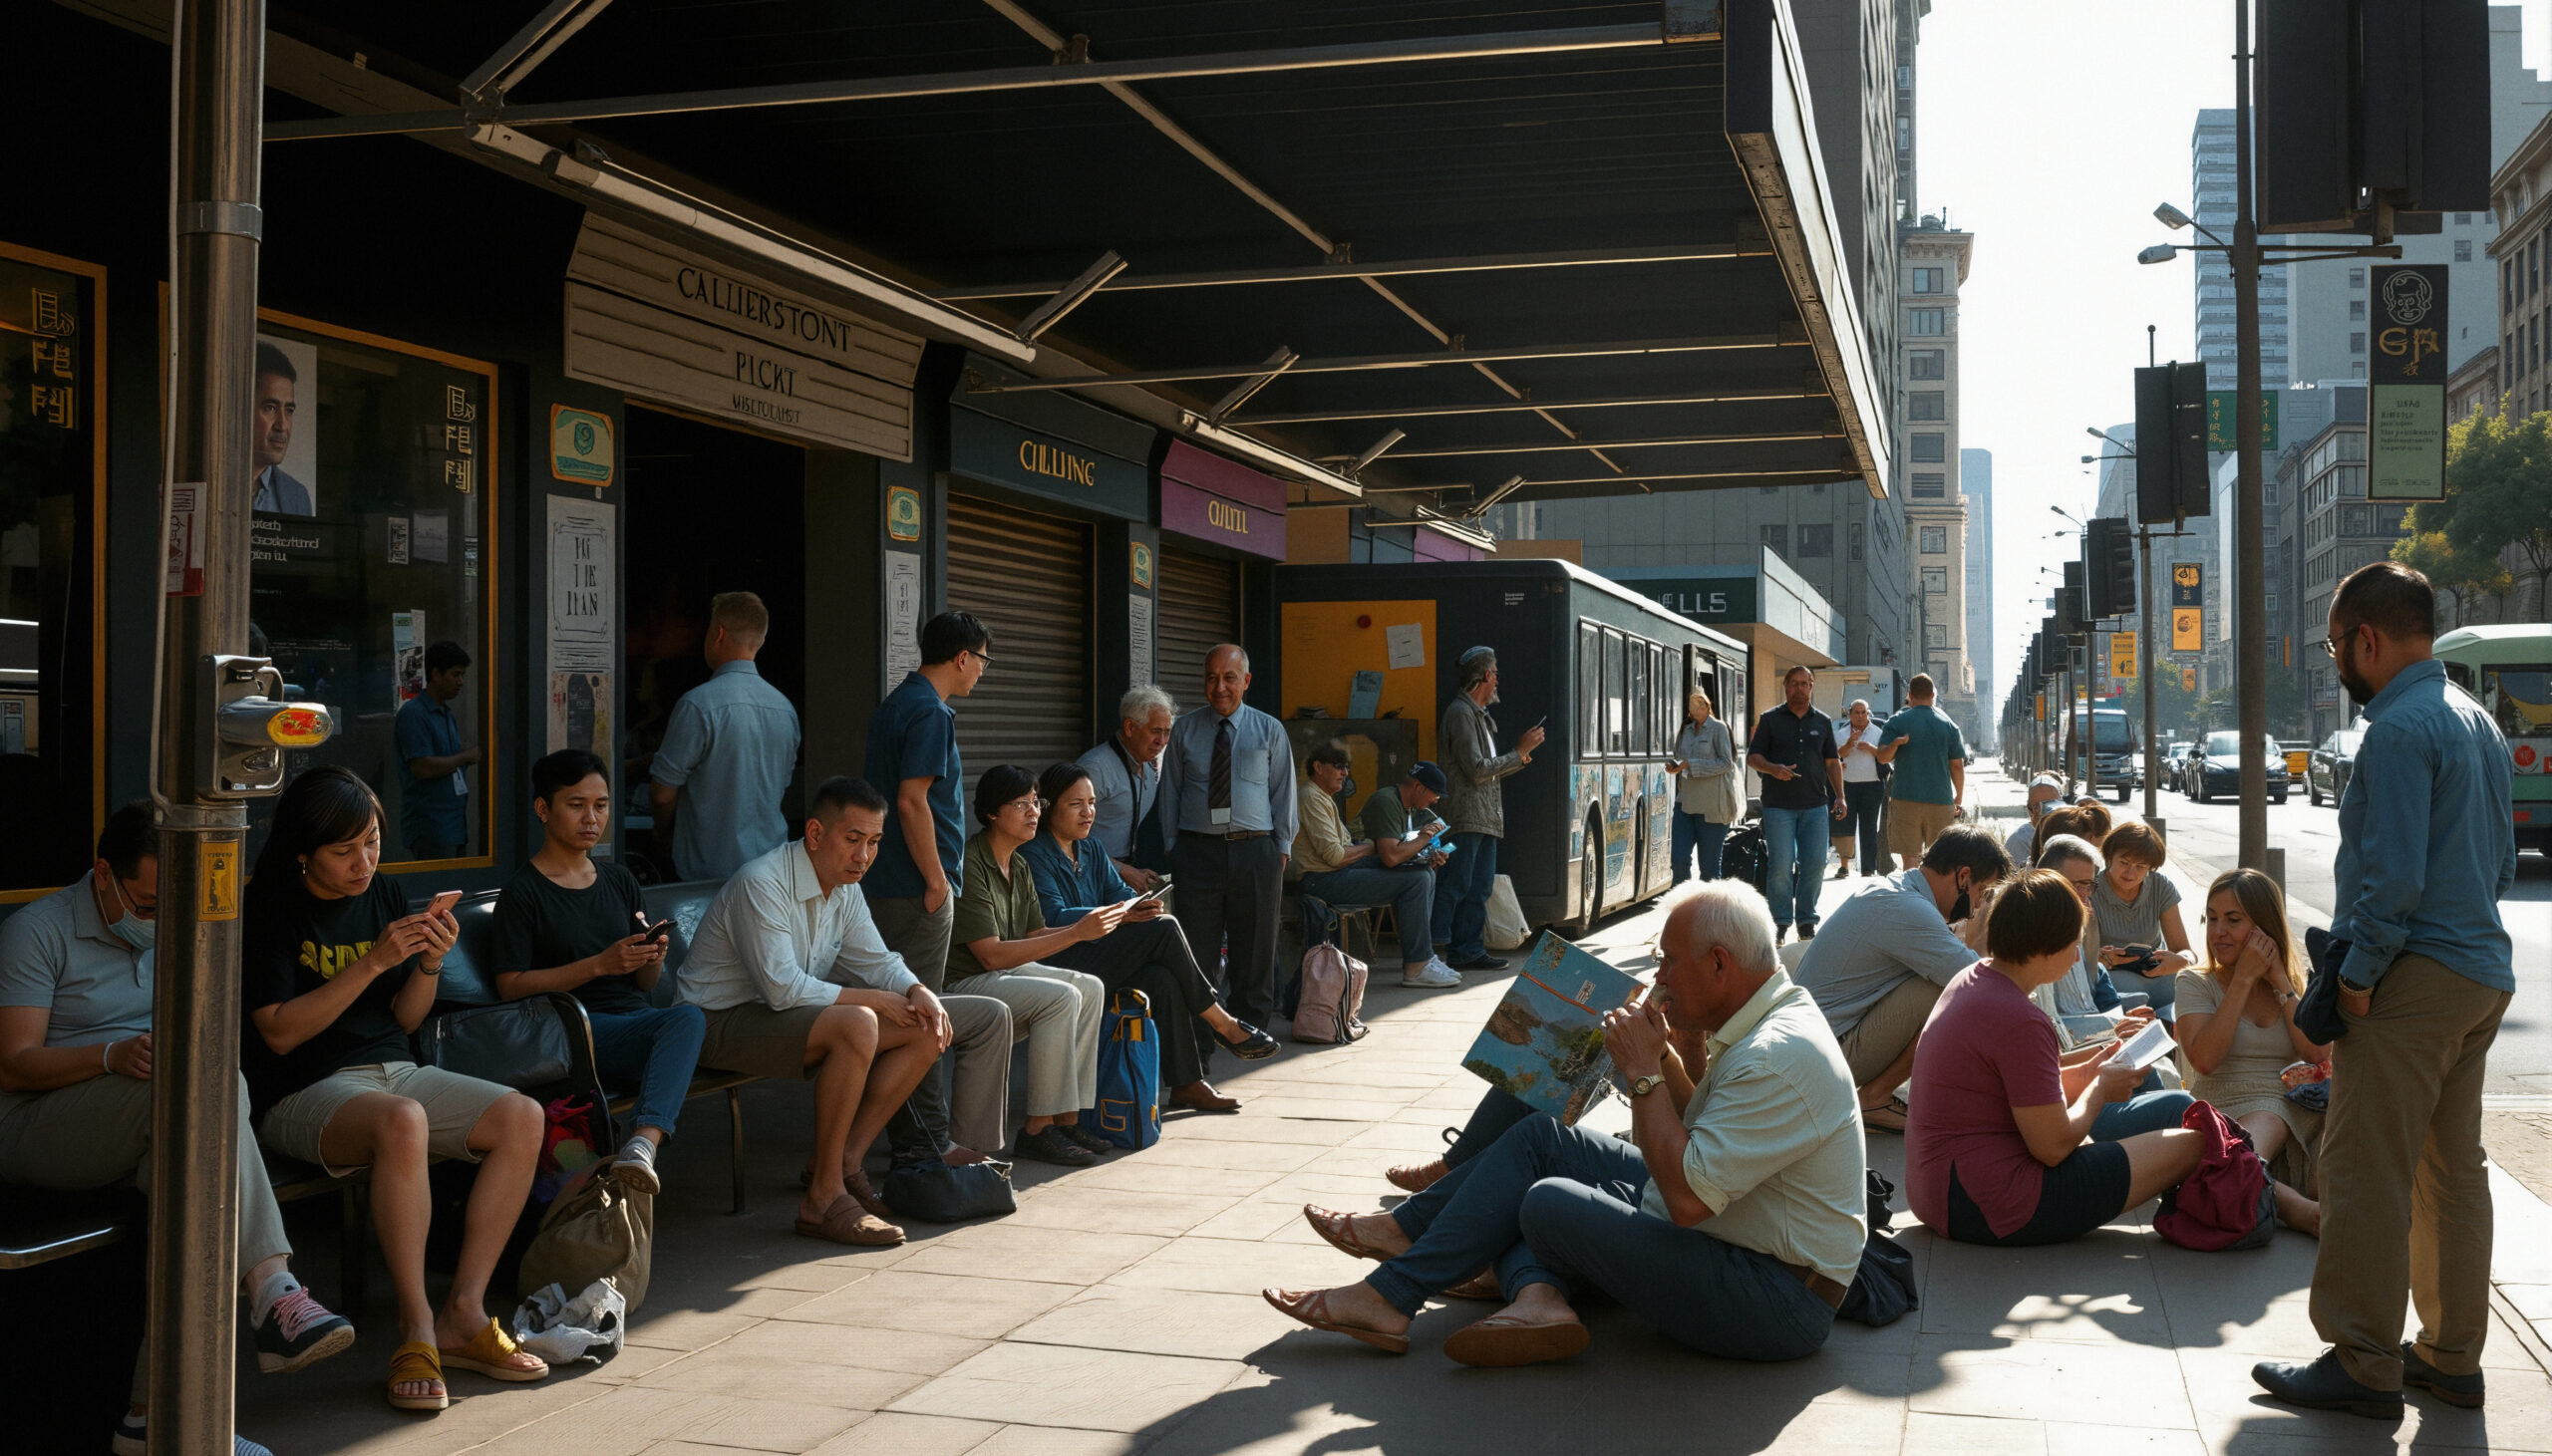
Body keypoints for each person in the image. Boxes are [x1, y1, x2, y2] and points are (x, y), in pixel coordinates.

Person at [1262, 883, 1866, 1367]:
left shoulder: (1773, 1058)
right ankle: (1434, 1257)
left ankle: (1451, 1285)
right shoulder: (1769, 1018)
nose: (1658, 978)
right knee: (1538, 1141)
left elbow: (1686, 1200)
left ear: (1719, 963)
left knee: (1546, 1203)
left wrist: (1642, 1073)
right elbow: (1697, 1128)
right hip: (1735, 1229)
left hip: (1775, 1297)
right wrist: (1662, 1054)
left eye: (1669, 962)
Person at [0, 802, 353, 1454]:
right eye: (147, 902)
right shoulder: (38, 930)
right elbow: (13, 1064)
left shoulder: (178, 921)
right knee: (201, 1096)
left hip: (146, 1117)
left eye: (171, 904)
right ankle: (273, 1287)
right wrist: (110, 1056)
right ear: (102, 874)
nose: (159, 917)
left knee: (195, 1191)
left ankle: (153, 1419)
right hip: (36, 1121)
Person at [2253, 563, 2514, 1418]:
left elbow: (2391, 880)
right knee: (2452, 1170)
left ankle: (2363, 1359)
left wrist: (2359, 976)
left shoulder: (2397, 730)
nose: (2335, 662)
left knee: (2364, 1167)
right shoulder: (2478, 720)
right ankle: (2450, 1355)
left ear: (2366, 638)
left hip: (2410, 980)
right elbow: (2501, 867)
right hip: (2479, 973)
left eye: (2334, 646)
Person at [240, 767, 548, 1411]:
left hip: (393, 1071)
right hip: (302, 1089)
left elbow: (406, 1020)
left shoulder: (382, 892)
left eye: (373, 842)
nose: (364, 862)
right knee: (403, 1120)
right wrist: (374, 961)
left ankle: (463, 1311)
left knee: (522, 1116)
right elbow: (279, 1033)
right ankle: (416, 1329)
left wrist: (429, 961)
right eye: (344, 850)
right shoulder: (268, 904)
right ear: (302, 852)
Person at [678, 776, 1007, 1246]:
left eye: (874, 842)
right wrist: (874, 1000)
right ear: (815, 834)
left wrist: (917, 990)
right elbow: (782, 989)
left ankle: (842, 1164)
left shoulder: (845, 887)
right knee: (859, 1021)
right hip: (711, 1024)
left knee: (922, 1026)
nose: (864, 855)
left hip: (773, 1017)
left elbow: (877, 960)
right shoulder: (763, 883)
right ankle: (822, 1200)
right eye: (853, 839)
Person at [1905, 869, 2204, 1248]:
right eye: (2073, 944)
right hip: (1993, 1204)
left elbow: (2025, 1090)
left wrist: (2094, 1067)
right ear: (2045, 948)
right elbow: (2053, 1147)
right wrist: (2100, 1088)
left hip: (1939, 1194)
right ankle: (2250, 1201)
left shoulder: (1973, 978)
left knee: (2175, 1116)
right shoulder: (2019, 1018)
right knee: (2193, 1143)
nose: (2078, 956)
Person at [488, 749, 709, 1195]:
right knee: (686, 1021)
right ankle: (641, 1145)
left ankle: (640, 1148)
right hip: (571, 1031)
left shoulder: (619, 881)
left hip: (630, 1023)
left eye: (601, 805)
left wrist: (651, 957)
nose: (592, 818)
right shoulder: (523, 892)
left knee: (688, 1019)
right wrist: (598, 965)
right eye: (577, 805)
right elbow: (509, 986)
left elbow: (644, 986)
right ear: (543, 809)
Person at [1022, 760, 1278, 1113]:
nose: (1088, 812)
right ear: (1049, 807)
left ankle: (1187, 1084)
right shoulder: (1033, 854)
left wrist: (1138, 906)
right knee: (1165, 928)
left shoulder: (1092, 849)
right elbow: (1053, 917)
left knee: (1163, 978)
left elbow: (1120, 895)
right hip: (1061, 959)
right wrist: (1122, 915)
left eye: (1092, 803)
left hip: (1102, 955)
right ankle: (1221, 1021)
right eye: (1076, 804)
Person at [865, 610, 991, 1166]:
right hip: (917, 891)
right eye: (982, 661)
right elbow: (912, 800)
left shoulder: (897, 702)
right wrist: (938, 880)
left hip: (887, 884)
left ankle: (890, 1139)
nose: (981, 672)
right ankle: (925, 1143)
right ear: (962, 657)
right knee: (923, 1019)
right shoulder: (931, 712)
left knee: (897, 1015)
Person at [1793, 823, 2012, 1132]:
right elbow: (1981, 980)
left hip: (1812, 1052)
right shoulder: (1908, 908)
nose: (1978, 905)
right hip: (1821, 1063)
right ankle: (1874, 1099)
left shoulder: (1896, 888)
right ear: (1963, 877)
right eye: (1983, 892)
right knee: (1948, 989)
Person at [944, 764, 1110, 1167]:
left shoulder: (1017, 863)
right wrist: (1077, 933)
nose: (1034, 812)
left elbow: (1035, 934)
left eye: (1036, 802)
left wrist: (1093, 923)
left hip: (1000, 975)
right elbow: (990, 955)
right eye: (1021, 804)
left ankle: (1067, 1119)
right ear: (991, 813)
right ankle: (1037, 1130)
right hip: (965, 982)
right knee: (1061, 997)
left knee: (1090, 986)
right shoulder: (970, 862)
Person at [2174, 869, 2327, 1236]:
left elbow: (2317, 1053)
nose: (2218, 931)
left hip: (2295, 1102)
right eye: (2212, 918)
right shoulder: (2194, 981)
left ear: (2264, 928)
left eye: (2233, 920)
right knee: (2266, 1120)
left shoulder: (2292, 984)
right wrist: (2242, 980)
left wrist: (2280, 982)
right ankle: (2293, 1208)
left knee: (2329, 1169)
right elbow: (2205, 1060)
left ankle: (2255, 1182)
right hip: (2229, 1102)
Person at [1161, 645, 1298, 1037]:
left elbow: (1284, 794)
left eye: (1229, 678)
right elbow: (1170, 792)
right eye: (1211, 678)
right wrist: (1174, 846)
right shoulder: (1184, 729)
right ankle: (1199, 1040)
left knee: (1254, 950)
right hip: (1197, 853)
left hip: (1255, 851)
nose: (1219, 687)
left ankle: (1250, 1034)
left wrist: (1281, 849)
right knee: (1196, 951)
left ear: (1246, 681)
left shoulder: (1269, 730)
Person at [2032, 835, 2191, 1143]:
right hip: (2065, 1103)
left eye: (2088, 887)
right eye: (2076, 886)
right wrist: (2111, 1034)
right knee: (2179, 1105)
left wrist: (2118, 1026)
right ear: (2046, 882)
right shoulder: (2038, 948)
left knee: (2161, 1081)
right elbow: (2053, 1043)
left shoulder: (2073, 929)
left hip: (2082, 1067)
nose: (2084, 897)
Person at [649, 591, 801, 882]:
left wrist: (663, 831)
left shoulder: (698, 705)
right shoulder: (785, 709)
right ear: (761, 640)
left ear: (717, 634)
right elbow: (778, 787)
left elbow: (662, 793)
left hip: (708, 877)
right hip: (773, 874)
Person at [1291, 743, 1458, 989]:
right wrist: (1383, 846)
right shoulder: (1310, 797)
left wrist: (1420, 854)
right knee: (1417, 880)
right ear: (1318, 767)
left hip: (1338, 871)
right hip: (1320, 880)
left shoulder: (1322, 797)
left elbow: (1353, 849)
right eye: (1338, 767)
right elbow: (1337, 856)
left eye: (1346, 767)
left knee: (1424, 872)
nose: (1345, 773)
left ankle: (1424, 956)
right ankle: (1416, 966)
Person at [1435, 647, 1544, 971]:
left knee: (1479, 888)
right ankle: (1433, 951)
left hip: (1483, 818)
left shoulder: (1477, 715)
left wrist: (1519, 758)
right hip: (1466, 817)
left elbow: (1486, 770)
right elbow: (1477, 769)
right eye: (1495, 673)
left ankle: (1467, 950)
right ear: (1485, 675)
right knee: (1457, 884)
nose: (1498, 680)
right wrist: (1518, 752)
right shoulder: (1461, 714)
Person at [1746, 666, 1844, 944]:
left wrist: (1840, 795)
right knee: (1780, 866)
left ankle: (1806, 921)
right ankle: (1779, 922)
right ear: (1786, 686)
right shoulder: (1770, 719)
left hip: (1815, 805)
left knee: (1815, 863)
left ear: (1811, 686)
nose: (1799, 688)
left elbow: (1832, 762)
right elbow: (1753, 757)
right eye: (1794, 683)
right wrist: (1773, 768)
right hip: (1778, 806)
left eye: (1804, 683)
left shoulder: (1822, 721)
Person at [1077, 685, 1176, 892]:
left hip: (1115, 874)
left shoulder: (1147, 767)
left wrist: (1128, 871)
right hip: (1084, 876)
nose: (1161, 741)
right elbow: (1063, 835)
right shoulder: (1095, 769)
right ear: (1130, 727)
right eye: (1155, 731)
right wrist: (1120, 869)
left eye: (1167, 732)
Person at [2089, 822, 2193, 1015]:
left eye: (2140, 866)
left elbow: (2185, 950)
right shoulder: (2090, 890)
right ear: (2109, 857)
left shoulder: (2160, 886)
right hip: (2111, 977)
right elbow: (2077, 959)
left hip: (2158, 973)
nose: (2131, 873)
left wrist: (2181, 960)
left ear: (2150, 868)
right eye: (2124, 863)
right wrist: (2101, 958)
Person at [395, 640, 478, 860]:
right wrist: (465, 757)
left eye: (462, 675)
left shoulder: (447, 714)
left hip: (454, 825)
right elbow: (422, 767)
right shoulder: (415, 714)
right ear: (436, 674)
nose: (460, 682)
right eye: (455, 674)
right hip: (431, 827)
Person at [1877, 673, 1967, 865]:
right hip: (1940, 800)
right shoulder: (1949, 725)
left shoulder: (1897, 722)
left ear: (1909, 694)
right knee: (1939, 859)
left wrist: (1895, 744)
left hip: (1905, 799)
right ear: (1933, 695)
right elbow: (1957, 766)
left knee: (1910, 858)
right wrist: (1958, 797)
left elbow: (1882, 757)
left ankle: (1912, 885)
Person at [1667, 689, 1742, 884]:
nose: (1695, 710)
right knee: (1679, 862)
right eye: (1692, 707)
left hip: (1712, 807)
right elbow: (1680, 757)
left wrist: (1691, 765)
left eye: (1699, 706)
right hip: (1685, 803)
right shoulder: (1686, 729)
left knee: (1709, 869)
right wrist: (1676, 766)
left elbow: (1726, 763)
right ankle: (1682, 902)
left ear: (1707, 706)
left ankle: (1708, 904)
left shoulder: (1719, 728)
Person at [251, 340, 313, 516]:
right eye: (270, 408)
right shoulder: (209, 480)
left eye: (289, 410)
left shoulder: (298, 496)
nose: (283, 425)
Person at [1833, 698, 1891, 879]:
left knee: (1869, 827)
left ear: (1868, 714)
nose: (1860, 716)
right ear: (1849, 715)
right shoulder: (1841, 734)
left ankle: (1868, 868)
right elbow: (1836, 757)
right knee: (1844, 825)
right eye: (1856, 713)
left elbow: (1886, 757)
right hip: (1847, 785)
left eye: (1863, 712)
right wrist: (1849, 744)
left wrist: (1872, 749)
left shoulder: (1878, 733)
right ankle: (1844, 865)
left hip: (1872, 785)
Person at [2005, 773, 2066, 864]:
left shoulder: (2072, 832)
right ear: (2030, 810)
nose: (2045, 811)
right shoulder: (2020, 840)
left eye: (2051, 804)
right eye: (2037, 806)